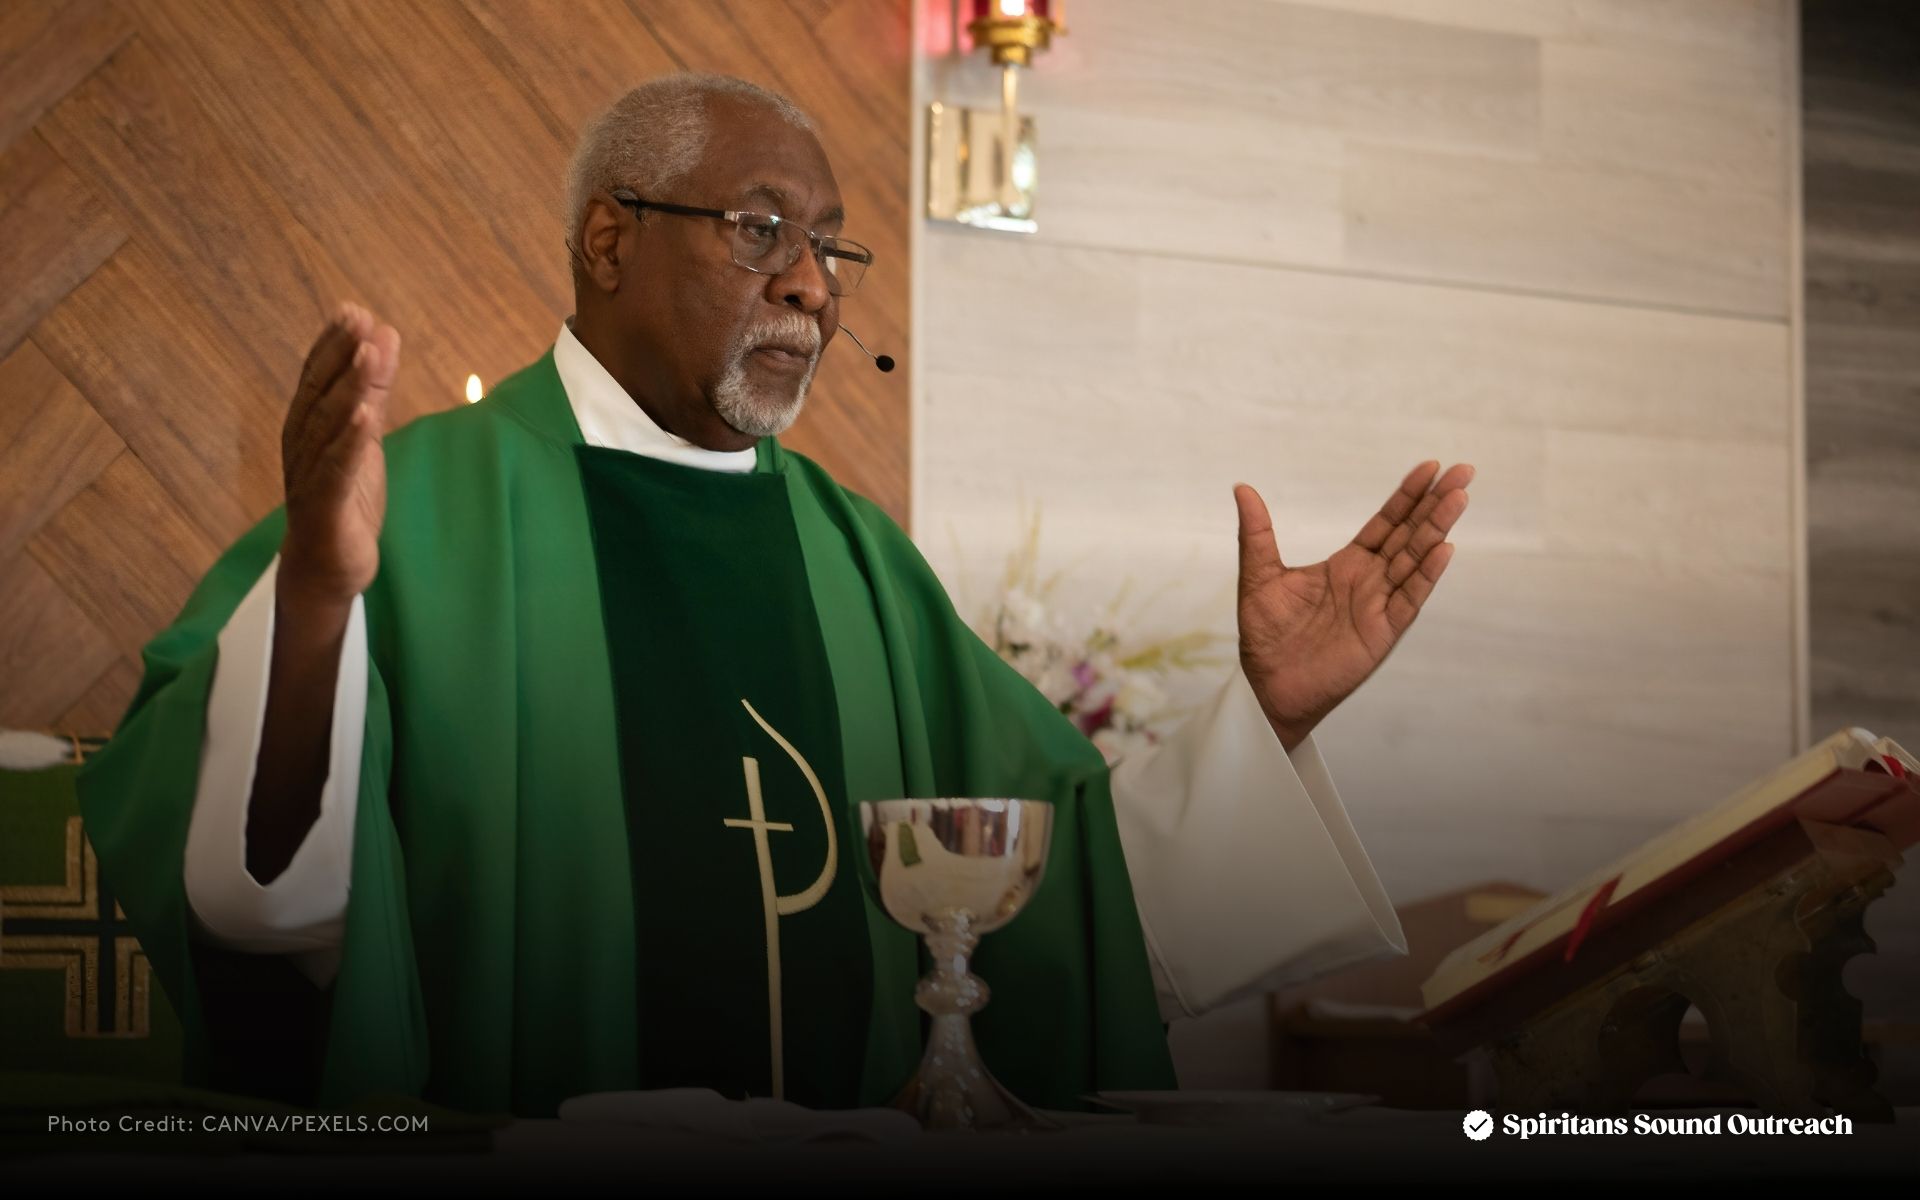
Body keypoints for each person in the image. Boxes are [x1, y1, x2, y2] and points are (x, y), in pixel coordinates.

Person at [77, 73, 1472, 1118]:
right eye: (761, 231)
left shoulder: (857, 559)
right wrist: (319, 602)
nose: (811, 287)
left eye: (831, 249)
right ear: (609, 242)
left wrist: (1270, 720)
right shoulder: (418, 514)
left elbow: (1058, 894)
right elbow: (262, 907)